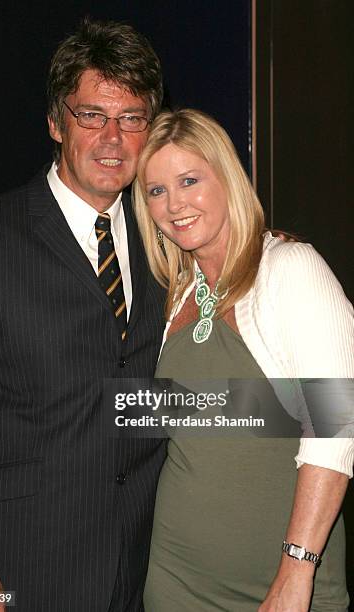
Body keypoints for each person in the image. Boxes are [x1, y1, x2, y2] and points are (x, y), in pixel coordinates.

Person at [0, 17, 166, 612]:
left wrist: (316, 406)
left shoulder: (167, 241)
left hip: (143, 570)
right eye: (92, 115)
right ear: (54, 122)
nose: (113, 138)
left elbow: (162, 399)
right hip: (17, 567)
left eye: (132, 118)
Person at [133, 108, 354, 611]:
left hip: (281, 585)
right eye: (157, 190)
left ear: (227, 178)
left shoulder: (289, 270)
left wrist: (295, 574)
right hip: (175, 581)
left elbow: (338, 428)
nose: (175, 204)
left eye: (190, 180)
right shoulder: (175, 295)